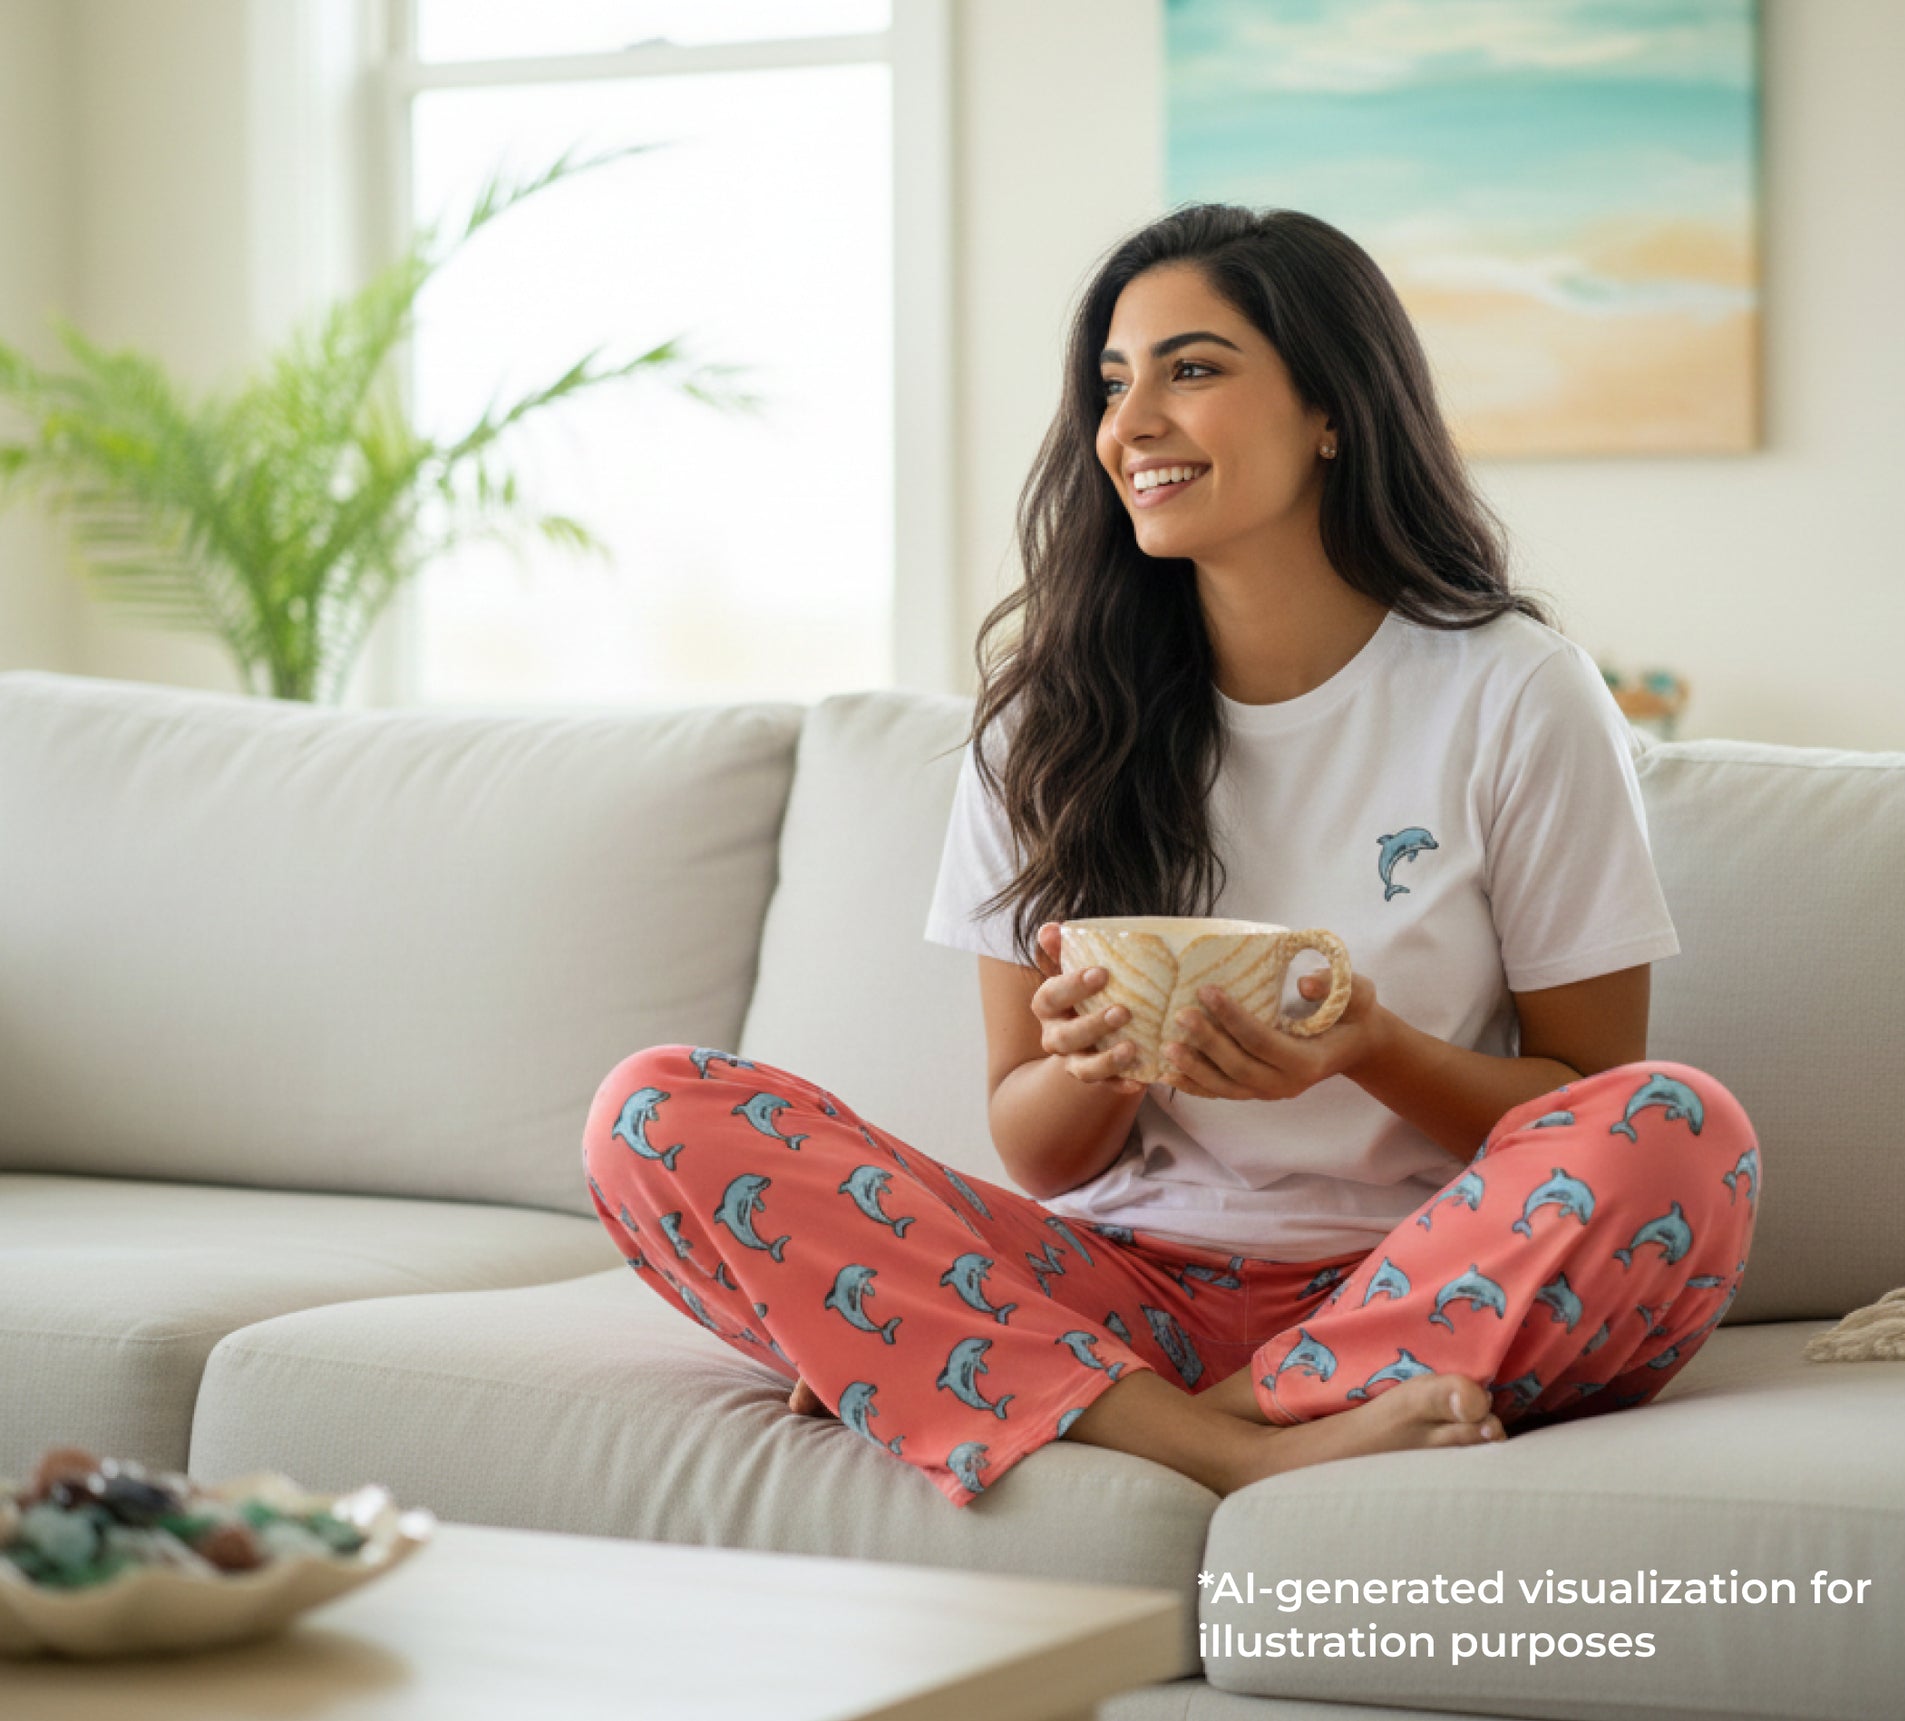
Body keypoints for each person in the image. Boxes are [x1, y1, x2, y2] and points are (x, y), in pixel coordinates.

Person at [580, 204, 1761, 1511]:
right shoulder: (1046, 721)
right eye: (1111, 383)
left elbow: (1584, 1093)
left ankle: (1083, 1398)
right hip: (1115, 1279)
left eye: (1189, 369)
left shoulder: (1515, 691)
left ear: (1331, 409)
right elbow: (1039, 1153)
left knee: (1679, 1129)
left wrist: (1368, 1048)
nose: (1129, 422)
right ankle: (1232, 1443)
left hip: (1419, 1279)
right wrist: (1100, 1059)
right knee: (653, 1110)